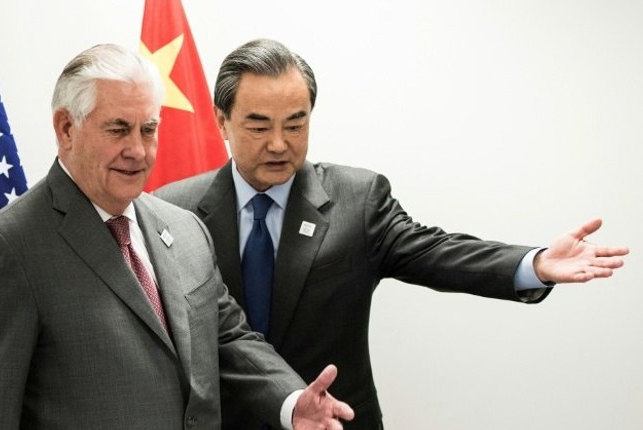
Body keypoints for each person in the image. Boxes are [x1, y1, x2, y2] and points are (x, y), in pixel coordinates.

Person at [153, 38, 629, 429]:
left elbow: (437, 251)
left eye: (296, 124)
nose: (280, 143)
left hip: (338, 422)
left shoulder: (357, 200)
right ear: (222, 121)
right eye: (259, 126)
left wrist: (534, 264)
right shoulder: (172, 210)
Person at [0, 43, 355, 430]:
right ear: (66, 128)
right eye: (119, 129)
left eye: (148, 129)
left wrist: (291, 400)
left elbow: (226, 337)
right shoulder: (8, 247)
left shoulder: (185, 228)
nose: (139, 151)